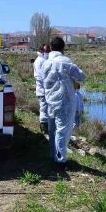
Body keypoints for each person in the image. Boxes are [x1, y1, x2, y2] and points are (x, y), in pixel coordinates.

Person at [40, 37, 86, 168]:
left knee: (52, 129)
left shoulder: (45, 63)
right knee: (62, 131)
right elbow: (81, 76)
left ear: (51, 48)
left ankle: (53, 155)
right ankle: (60, 161)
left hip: (50, 102)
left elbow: (44, 81)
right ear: (63, 48)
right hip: (64, 103)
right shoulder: (65, 62)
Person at [33, 43, 50, 134]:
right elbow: (40, 77)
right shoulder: (39, 61)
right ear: (41, 51)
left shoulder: (44, 60)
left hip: (47, 90)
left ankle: (47, 127)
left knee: (47, 109)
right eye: (46, 51)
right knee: (44, 108)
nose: (48, 53)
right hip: (42, 90)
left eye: (48, 51)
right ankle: (44, 128)